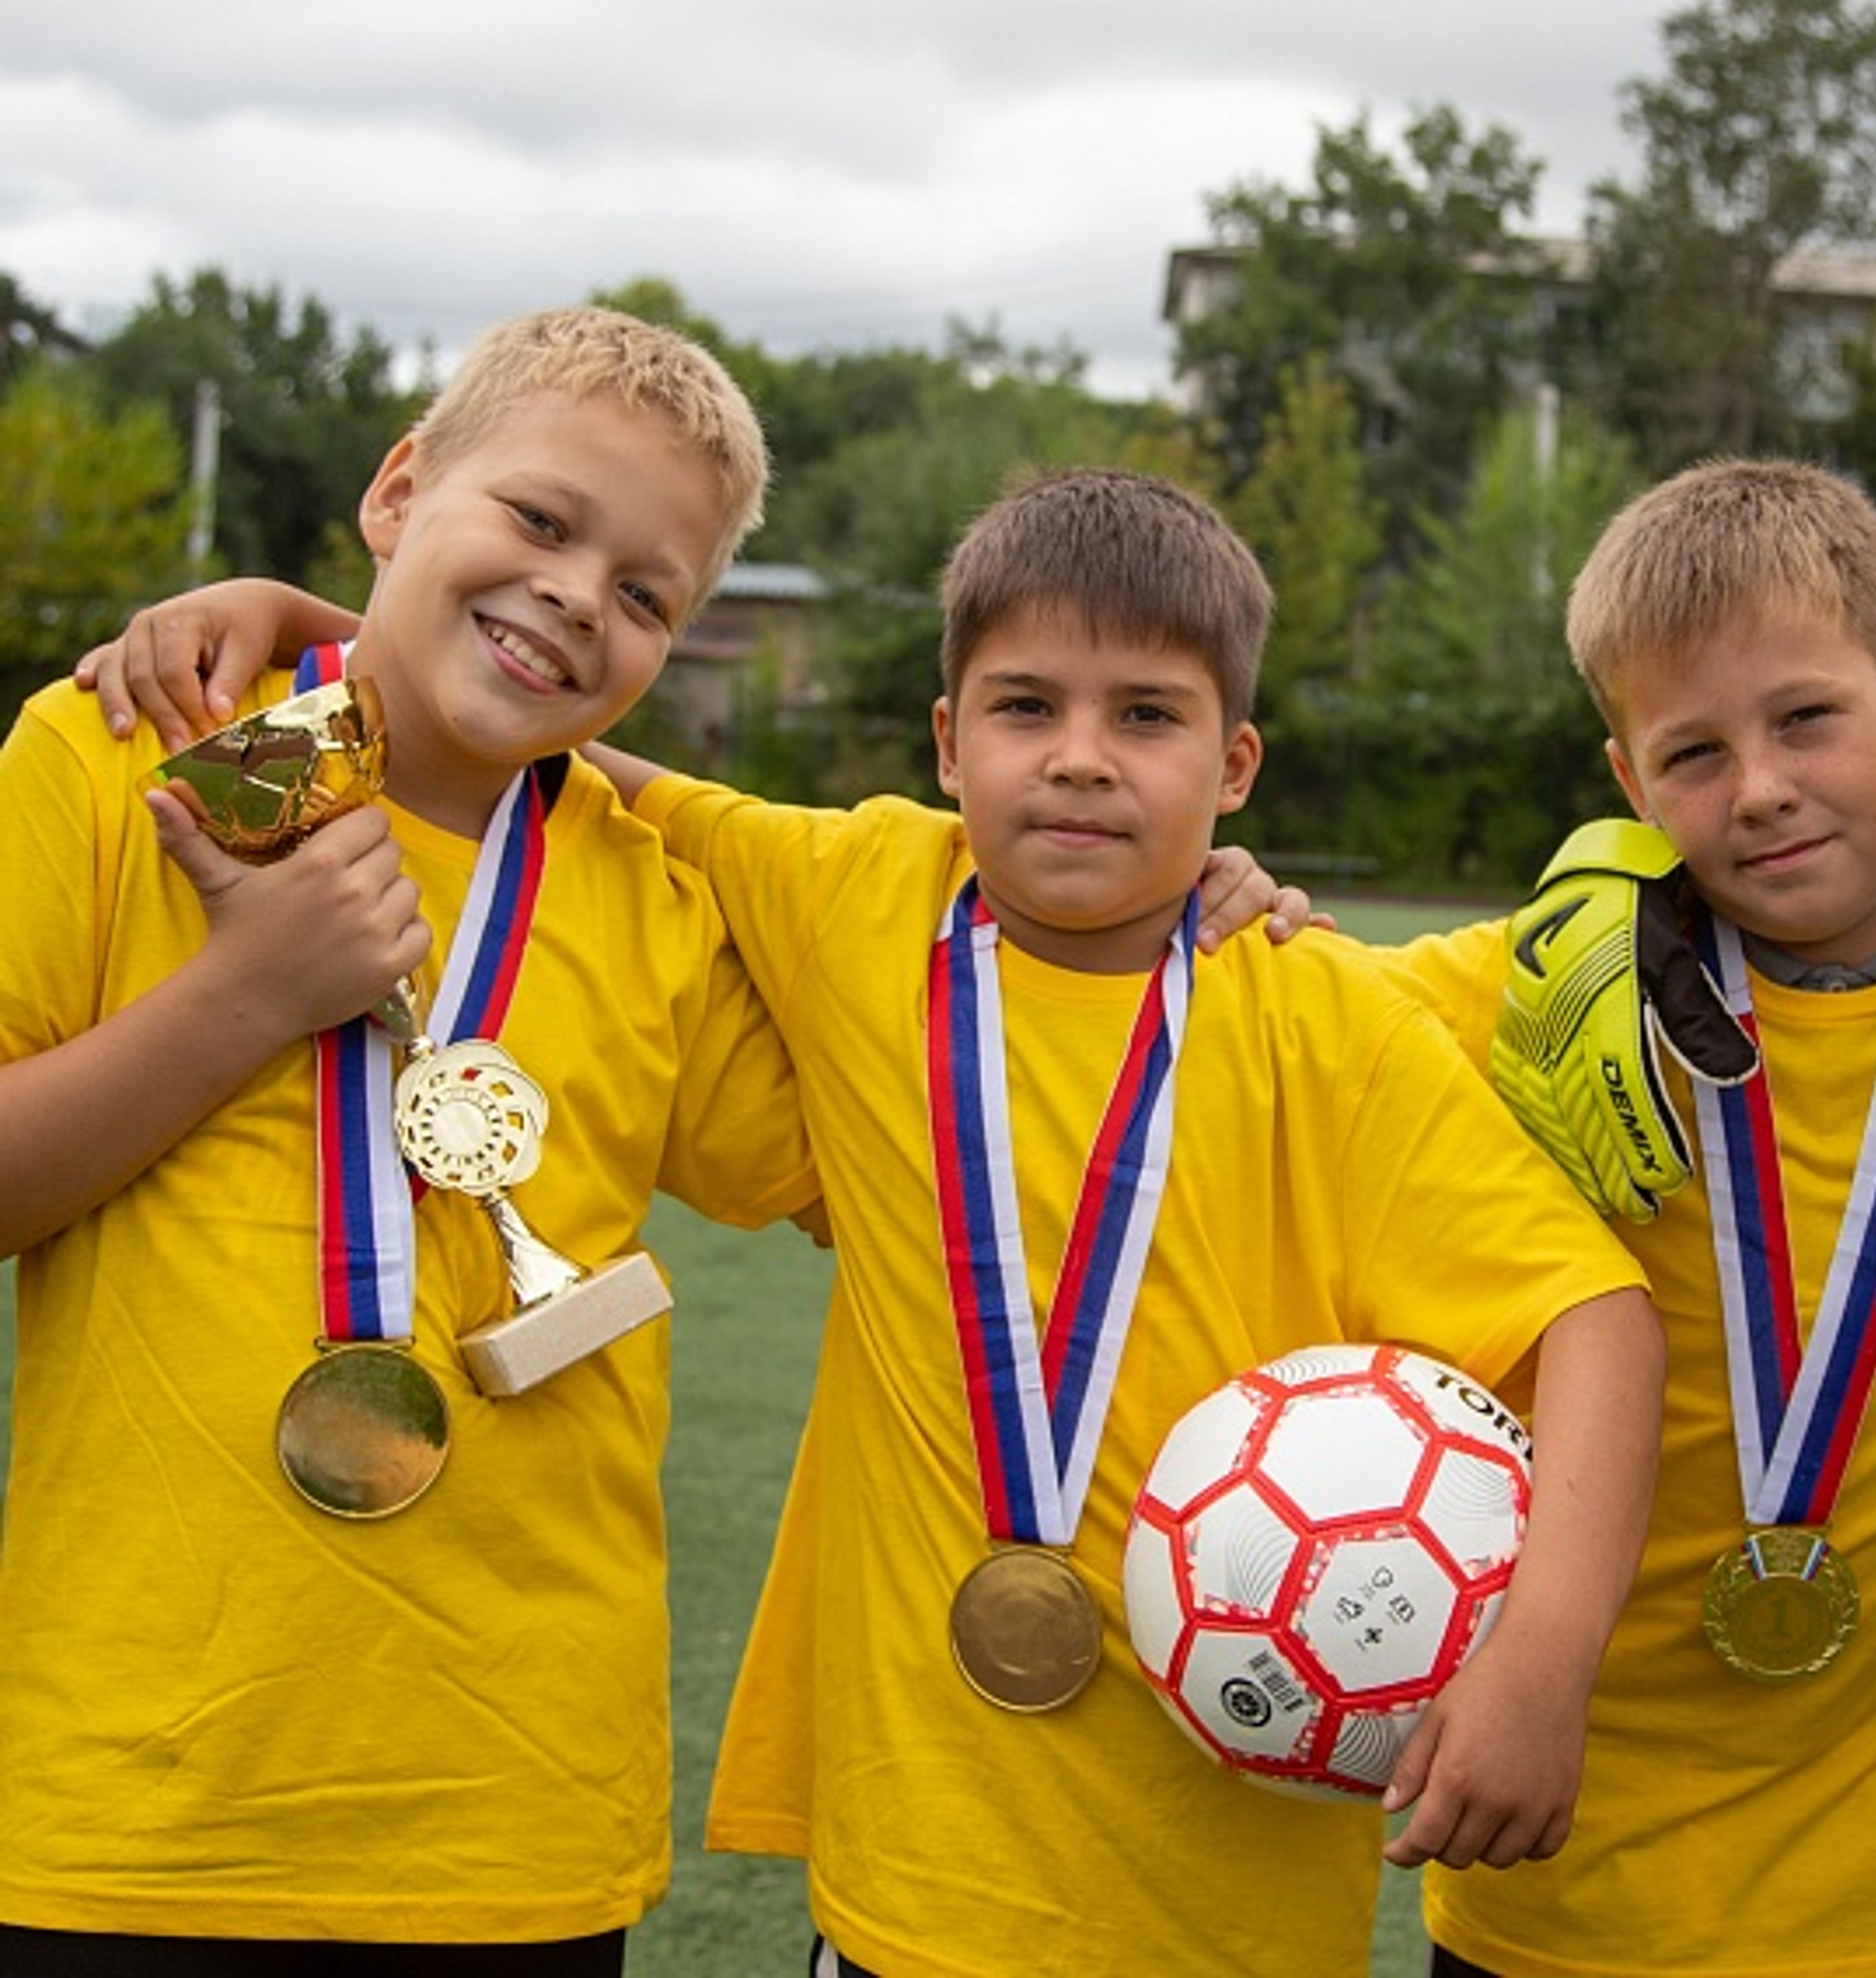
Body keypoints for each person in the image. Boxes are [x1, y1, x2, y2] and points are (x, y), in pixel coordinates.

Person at [569, 465, 1661, 1977]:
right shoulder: (851, 890)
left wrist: (1547, 1659)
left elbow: (1595, 1318)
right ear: (948, 743)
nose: (1081, 759)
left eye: (1147, 715)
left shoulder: (1323, 1018)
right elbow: (545, 762)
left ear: (1236, 766)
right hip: (914, 1888)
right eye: (1026, 707)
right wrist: (309, 634)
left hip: (1229, 1914)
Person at [0, 306, 815, 1970]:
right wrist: (245, 996)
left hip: (508, 1825)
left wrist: (1173, 908)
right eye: (538, 519)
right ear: (397, 491)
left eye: (648, 593)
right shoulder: (138, 760)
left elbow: (881, 1163)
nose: (580, 593)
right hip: (134, 1807)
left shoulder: (646, 897)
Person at [1386, 458, 1876, 1976]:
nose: (1758, 785)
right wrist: (1233, 892)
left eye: (1808, 717)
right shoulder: (1535, 992)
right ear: (1629, 784)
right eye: (1693, 750)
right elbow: (1269, 1022)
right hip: (1568, 1860)